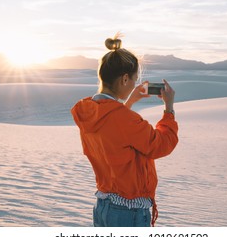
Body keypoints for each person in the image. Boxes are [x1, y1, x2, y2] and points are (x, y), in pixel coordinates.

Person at [71, 35, 178, 227]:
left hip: (103, 206)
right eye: (134, 79)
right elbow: (160, 145)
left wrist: (130, 101)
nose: (133, 85)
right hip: (129, 212)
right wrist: (168, 109)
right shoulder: (123, 119)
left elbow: (114, 129)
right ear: (125, 78)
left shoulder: (89, 111)